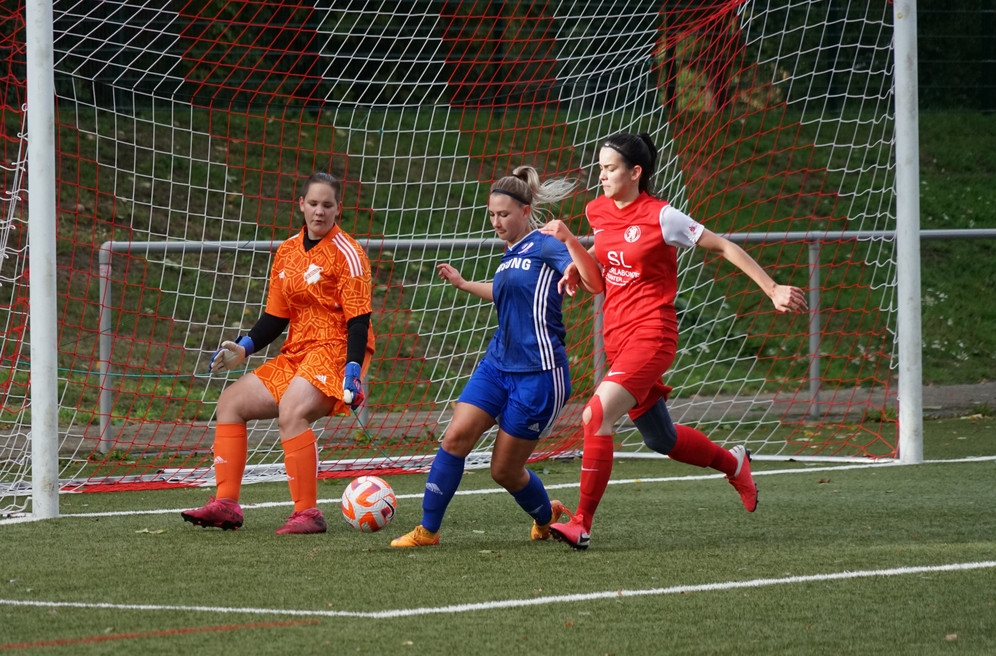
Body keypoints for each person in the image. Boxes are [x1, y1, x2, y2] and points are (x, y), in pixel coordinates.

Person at [540, 133, 807, 550]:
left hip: (652, 335)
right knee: (660, 439)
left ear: (635, 172)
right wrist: (578, 262)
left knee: (595, 415)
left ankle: (581, 523)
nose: (601, 175)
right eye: (600, 167)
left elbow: (723, 246)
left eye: (610, 168)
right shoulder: (597, 210)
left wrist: (772, 289)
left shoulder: (663, 216)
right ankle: (734, 464)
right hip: (617, 337)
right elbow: (604, 263)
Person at [390, 165, 603, 547]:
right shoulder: (511, 251)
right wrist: (463, 283)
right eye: (492, 214)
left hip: (539, 373)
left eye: (504, 214)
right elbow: (505, 292)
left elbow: (588, 280)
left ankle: (546, 515)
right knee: (455, 438)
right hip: (497, 364)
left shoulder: (545, 244)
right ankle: (428, 530)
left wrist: (574, 261)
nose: (496, 222)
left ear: (525, 211)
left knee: (503, 470)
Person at [182, 172, 375, 535]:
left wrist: (353, 369)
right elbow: (275, 317)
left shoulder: (349, 253)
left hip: (335, 350)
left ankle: (308, 513)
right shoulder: (287, 251)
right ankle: (226, 504)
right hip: (297, 353)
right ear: (301, 204)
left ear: (338, 209)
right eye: (313, 203)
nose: (319, 211)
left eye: (327, 205)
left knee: (292, 410)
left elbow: (359, 321)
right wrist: (244, 348)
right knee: (230, 403)